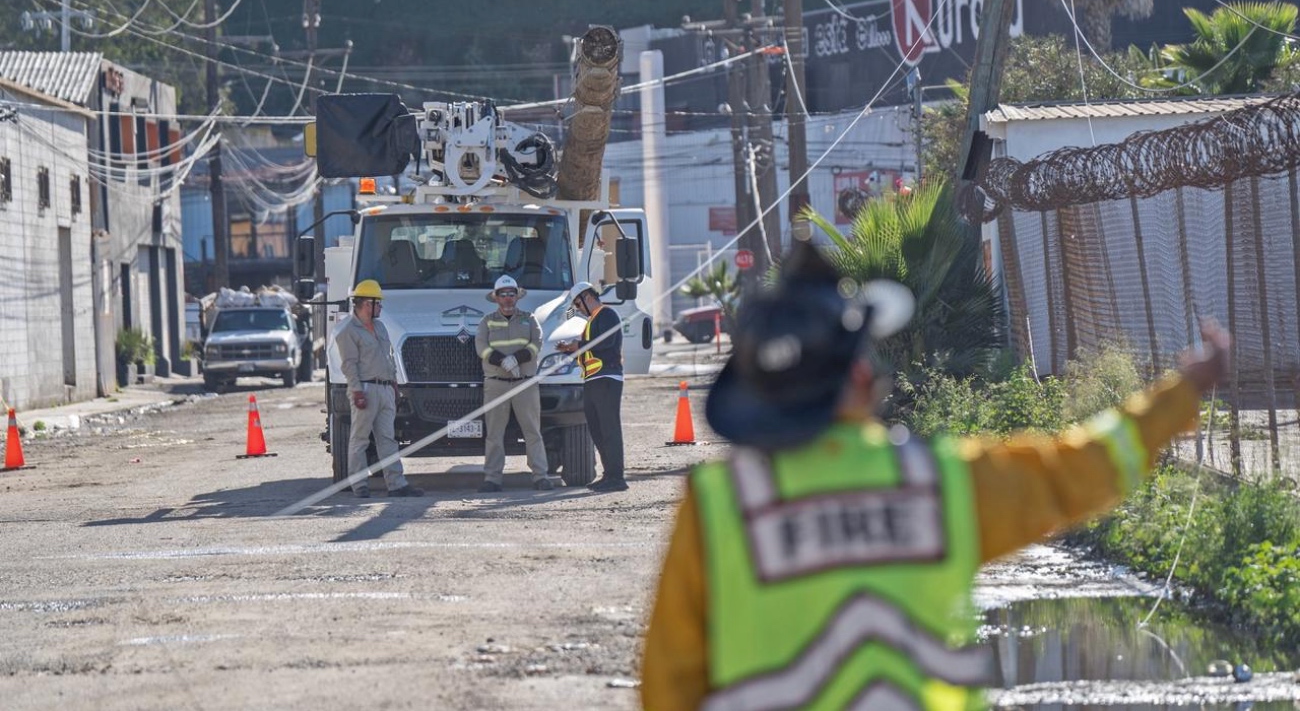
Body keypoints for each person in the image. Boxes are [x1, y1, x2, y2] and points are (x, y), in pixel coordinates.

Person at [640, 239, 1229, 710]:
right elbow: (1080, 468)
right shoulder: (937, 483)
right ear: (863, 382)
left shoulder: (719, 507)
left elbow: (668, 686)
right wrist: (1183, 394)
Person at [333, 279, 423, 499]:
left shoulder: (380, 327)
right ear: (367, 304)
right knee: (360, 439)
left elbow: (388, 357)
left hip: (384, 389)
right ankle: (359, 485)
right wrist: (356, 391)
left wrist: (394, 384)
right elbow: (349, 364)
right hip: (365, 389)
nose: (381, 307)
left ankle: (396, 484)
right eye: (378, 303)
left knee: (388, 440)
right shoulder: (347, 331)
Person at [476, 275, 551, 493]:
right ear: (496, 298)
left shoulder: (530, 318)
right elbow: (481, 347)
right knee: (494, 434)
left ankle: (541, 476)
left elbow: (537, 343)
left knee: (532, 431)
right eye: (503, 295)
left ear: (517, 296)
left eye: (512, 294)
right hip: (496, 384)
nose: (508, 298)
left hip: (524, 383)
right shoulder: (487, 321)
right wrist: (502, 361)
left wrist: (517, 359)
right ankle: (492, 479)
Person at [558, 281, 626, 492]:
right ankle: (609, 475)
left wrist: (579, 345)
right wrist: (570, 350)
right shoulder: (592, 321)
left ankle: (617, 477)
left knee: (609, 429)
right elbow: (590, 349)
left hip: (607, 379)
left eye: (578, 304)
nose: (577, 309)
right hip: (593, 380)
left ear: (587, 298)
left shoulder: (607, 315)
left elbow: (604, 342)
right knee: (597, 430)